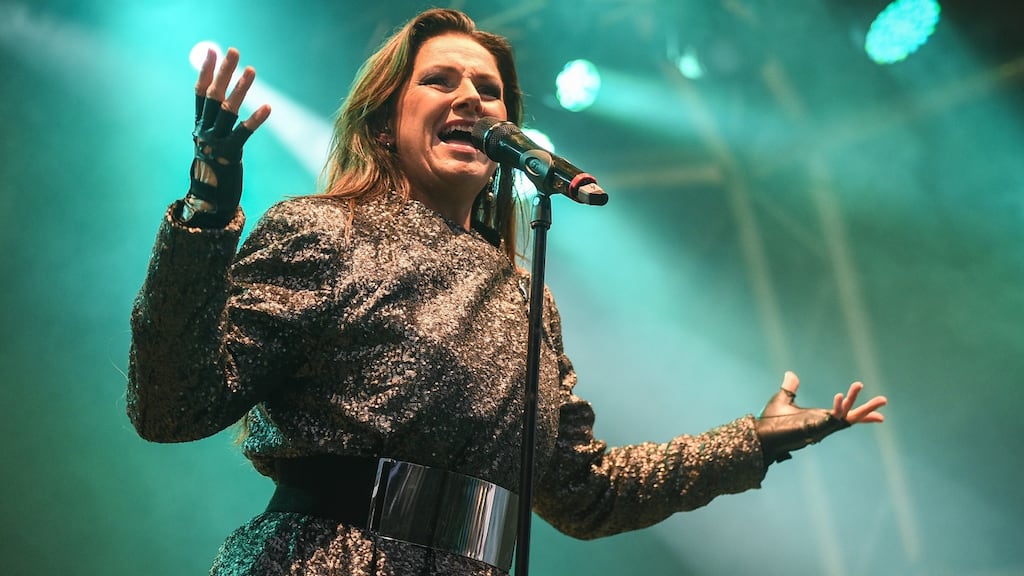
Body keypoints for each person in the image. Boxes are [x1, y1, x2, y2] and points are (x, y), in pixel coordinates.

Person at [127, 8, 887, 576]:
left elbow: (584, 493)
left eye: (489, 90)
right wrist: (208, 209)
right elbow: (171, 407)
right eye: (441, 80)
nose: (473, 98)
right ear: (385, 124)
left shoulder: (527, 299)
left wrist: (751, 443)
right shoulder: (323, 231)